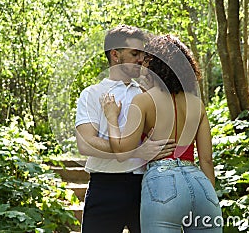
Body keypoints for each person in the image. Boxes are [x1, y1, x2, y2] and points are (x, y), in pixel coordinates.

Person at [102, 34, 223, 232]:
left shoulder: (143, 101)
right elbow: (207, 161)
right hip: (200, 183)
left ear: (155, 64)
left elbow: (121, 149)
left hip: (162, 184)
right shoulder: (197, 104)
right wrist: (208, 196)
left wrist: (112, 118)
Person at [75, 25, 176, 233]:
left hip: (146, 187)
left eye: (142, 54)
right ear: (115, 55)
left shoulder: (147, 94)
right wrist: (135, 152)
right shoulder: (92, 94)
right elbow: (85, 144)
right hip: (106, 188)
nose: (141, 59)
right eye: (134, 53)